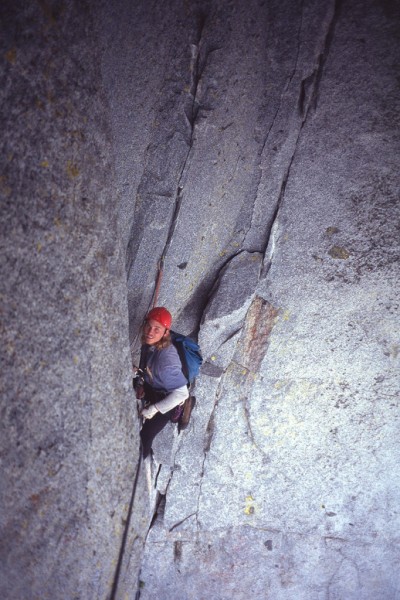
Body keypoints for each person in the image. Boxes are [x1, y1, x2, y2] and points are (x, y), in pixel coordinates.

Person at [135, 307, 189, 458]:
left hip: (168, 402)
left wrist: (153, 409)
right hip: (155, 388)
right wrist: (141, 383)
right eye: (148, 326)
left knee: (145, 437)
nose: (150, 332)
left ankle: (138, 464)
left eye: (157, 329)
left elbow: (181, 393)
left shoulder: (166, 363)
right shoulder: (149, 343)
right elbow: (147, 368)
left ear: (165, 333)